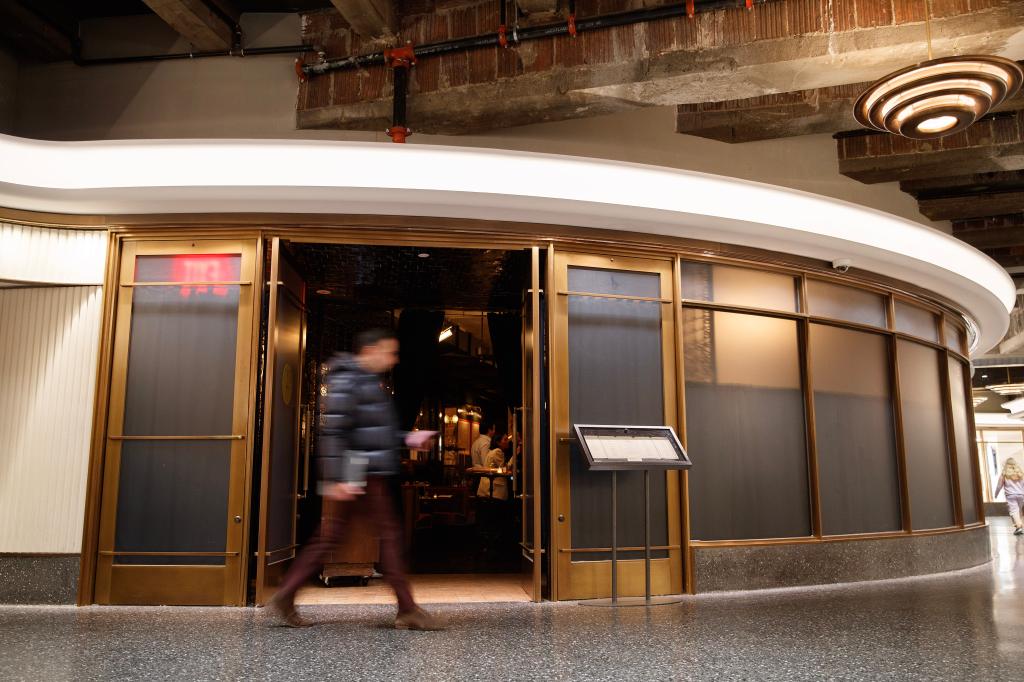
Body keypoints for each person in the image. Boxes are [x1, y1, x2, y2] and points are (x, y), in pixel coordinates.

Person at [269, 329, 445, 630]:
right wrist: (339, 477)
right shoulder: (349, 380)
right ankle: (407, 608)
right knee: (387, 537)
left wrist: (408, 437)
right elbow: (335, 431)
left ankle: (287, 594)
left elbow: (375, 432)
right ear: (370, 351)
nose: (393, 359)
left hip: (363, 470)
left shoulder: (365, 382)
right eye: (389, 352)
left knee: (335, 536)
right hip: (360, 471)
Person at [994, 457, 1024, 536]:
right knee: (1018, 511)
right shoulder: (1020, 473)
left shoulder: (1004, 474)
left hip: (1011, 495)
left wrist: (996, 494)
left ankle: (1019, 526)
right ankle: (1019, 527)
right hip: (1021, 495)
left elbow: (999, 486)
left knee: (1014, 511)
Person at [477, 434, 511, 500]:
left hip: (488, 488)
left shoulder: (492, 451)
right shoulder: (497, 451)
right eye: (505, 439)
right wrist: (514, 456)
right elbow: (504, 469)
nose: (507, 441)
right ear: (498, 442)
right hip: (494, 490)